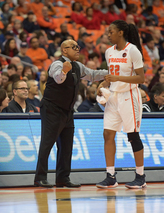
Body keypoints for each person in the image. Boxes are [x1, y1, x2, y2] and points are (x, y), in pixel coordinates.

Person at [34, 39, 108, 188]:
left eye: (78, 47)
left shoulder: (78, 66)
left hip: (67, 111)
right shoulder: (57, 64)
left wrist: (113, 73)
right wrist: (64, 71)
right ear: (64, 50)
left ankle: (62, 178)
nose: (77, 49)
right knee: (47, 144)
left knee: (67, 146)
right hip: (52, 109)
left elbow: (92, 75)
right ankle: (40, 178)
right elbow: (58, 79)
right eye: (74, 47)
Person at [95, 20, 146, 189]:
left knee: (133, 136)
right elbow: (112, 75)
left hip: (129, 96)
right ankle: (111, 176)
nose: (108, 35)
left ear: (121, 33)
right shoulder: (109, 52)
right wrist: (103, 85)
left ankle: (140, 176)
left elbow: (141, 78)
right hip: (113, 97)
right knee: (107, 134)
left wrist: (117, 79)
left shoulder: (133, 50)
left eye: (111, 32)